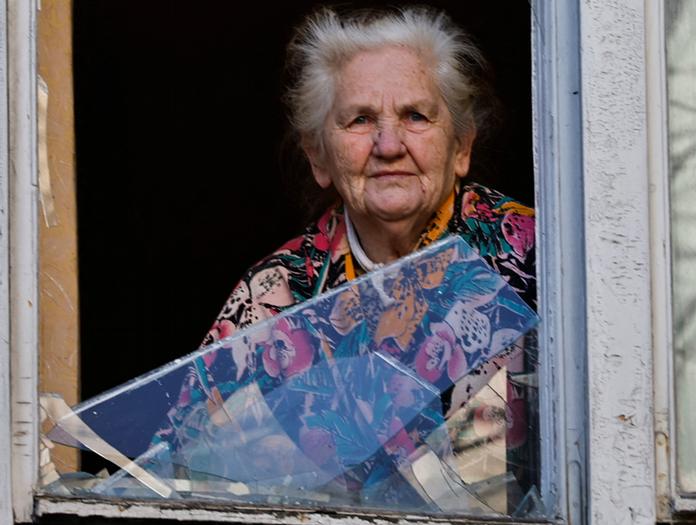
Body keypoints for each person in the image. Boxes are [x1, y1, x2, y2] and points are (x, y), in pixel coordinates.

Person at [195, 6, 537, 505]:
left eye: (416, 116)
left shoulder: (534, 258)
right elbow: (190, 469)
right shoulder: (275, 291)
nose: (389, 144)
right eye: (360, 120)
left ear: (461, 146)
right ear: (318, 156)